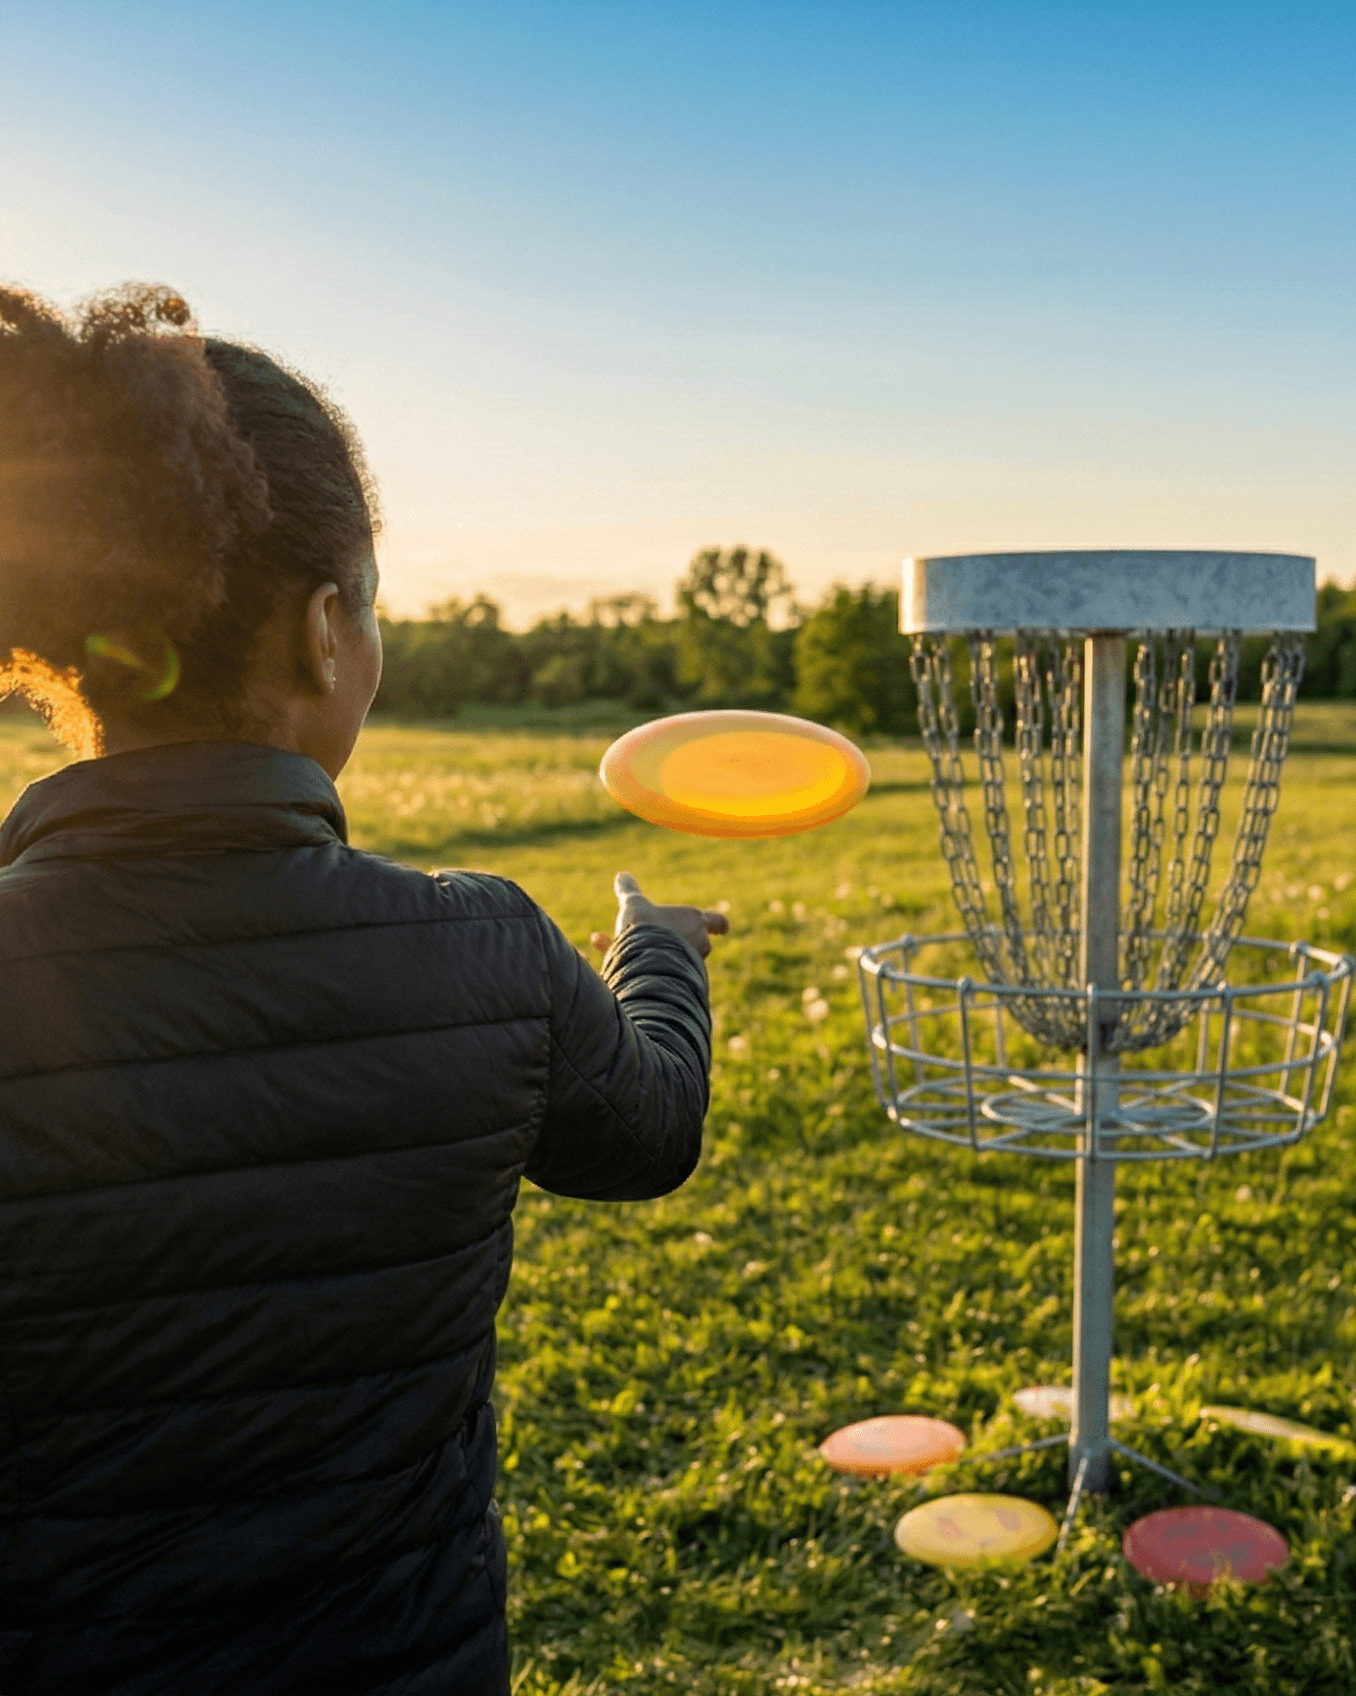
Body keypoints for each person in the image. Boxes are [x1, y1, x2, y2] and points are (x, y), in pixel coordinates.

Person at [0, 283, 725, 1693]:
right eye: (376, 610)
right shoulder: (491, 951)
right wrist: (659, 950)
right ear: (325, 628)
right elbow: (654, 1134)